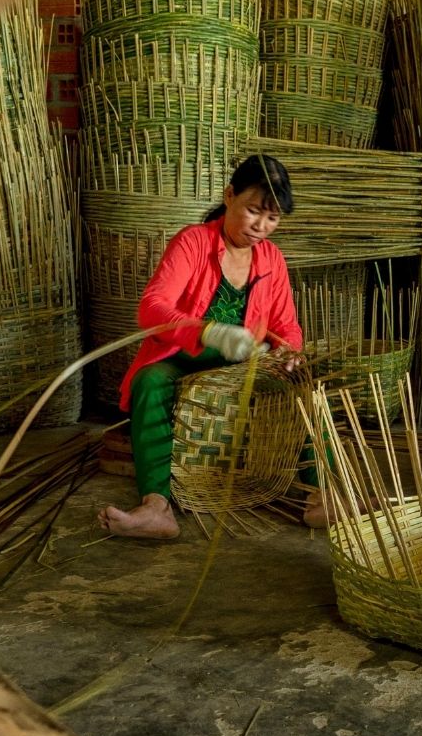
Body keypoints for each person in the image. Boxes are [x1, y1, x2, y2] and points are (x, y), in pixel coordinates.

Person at [98, 154, 330, 538]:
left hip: (246, 360)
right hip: (185, 354)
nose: (261, 226)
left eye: (272, 218)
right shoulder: (193, 242)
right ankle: (156, 507)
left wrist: (289, 351)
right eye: (253, 211)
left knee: (303, 381)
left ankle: (322, 495)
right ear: (229, 196)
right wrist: (207, 332)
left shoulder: (271, 258)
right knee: (149, 381)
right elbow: (151, 307)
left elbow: (285, 324)